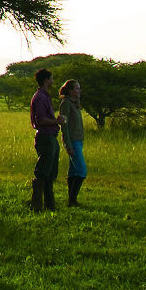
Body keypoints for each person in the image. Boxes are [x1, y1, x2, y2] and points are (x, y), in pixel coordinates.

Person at [30, 68, 64, 212]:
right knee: (43, 172)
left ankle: (49, 205)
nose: (53, 81)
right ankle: (36, 205)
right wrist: (56, 121)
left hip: (50, 137)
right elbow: (41, 120)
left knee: (50, 173)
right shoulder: (40, 97)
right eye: (51, 78)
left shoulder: (44, 96)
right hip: (45, 137)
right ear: (45, 80)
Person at [59, 79, 87, 207]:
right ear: (70, 91)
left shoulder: (75, 103)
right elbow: (64, 125)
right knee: (81, 171)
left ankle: (71, 200)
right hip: (73, 141)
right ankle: (72, 199)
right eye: (76, 88)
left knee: (74, 171)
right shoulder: (66, 103)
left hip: (78, 140)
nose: (79, 91)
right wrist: (68, 144)